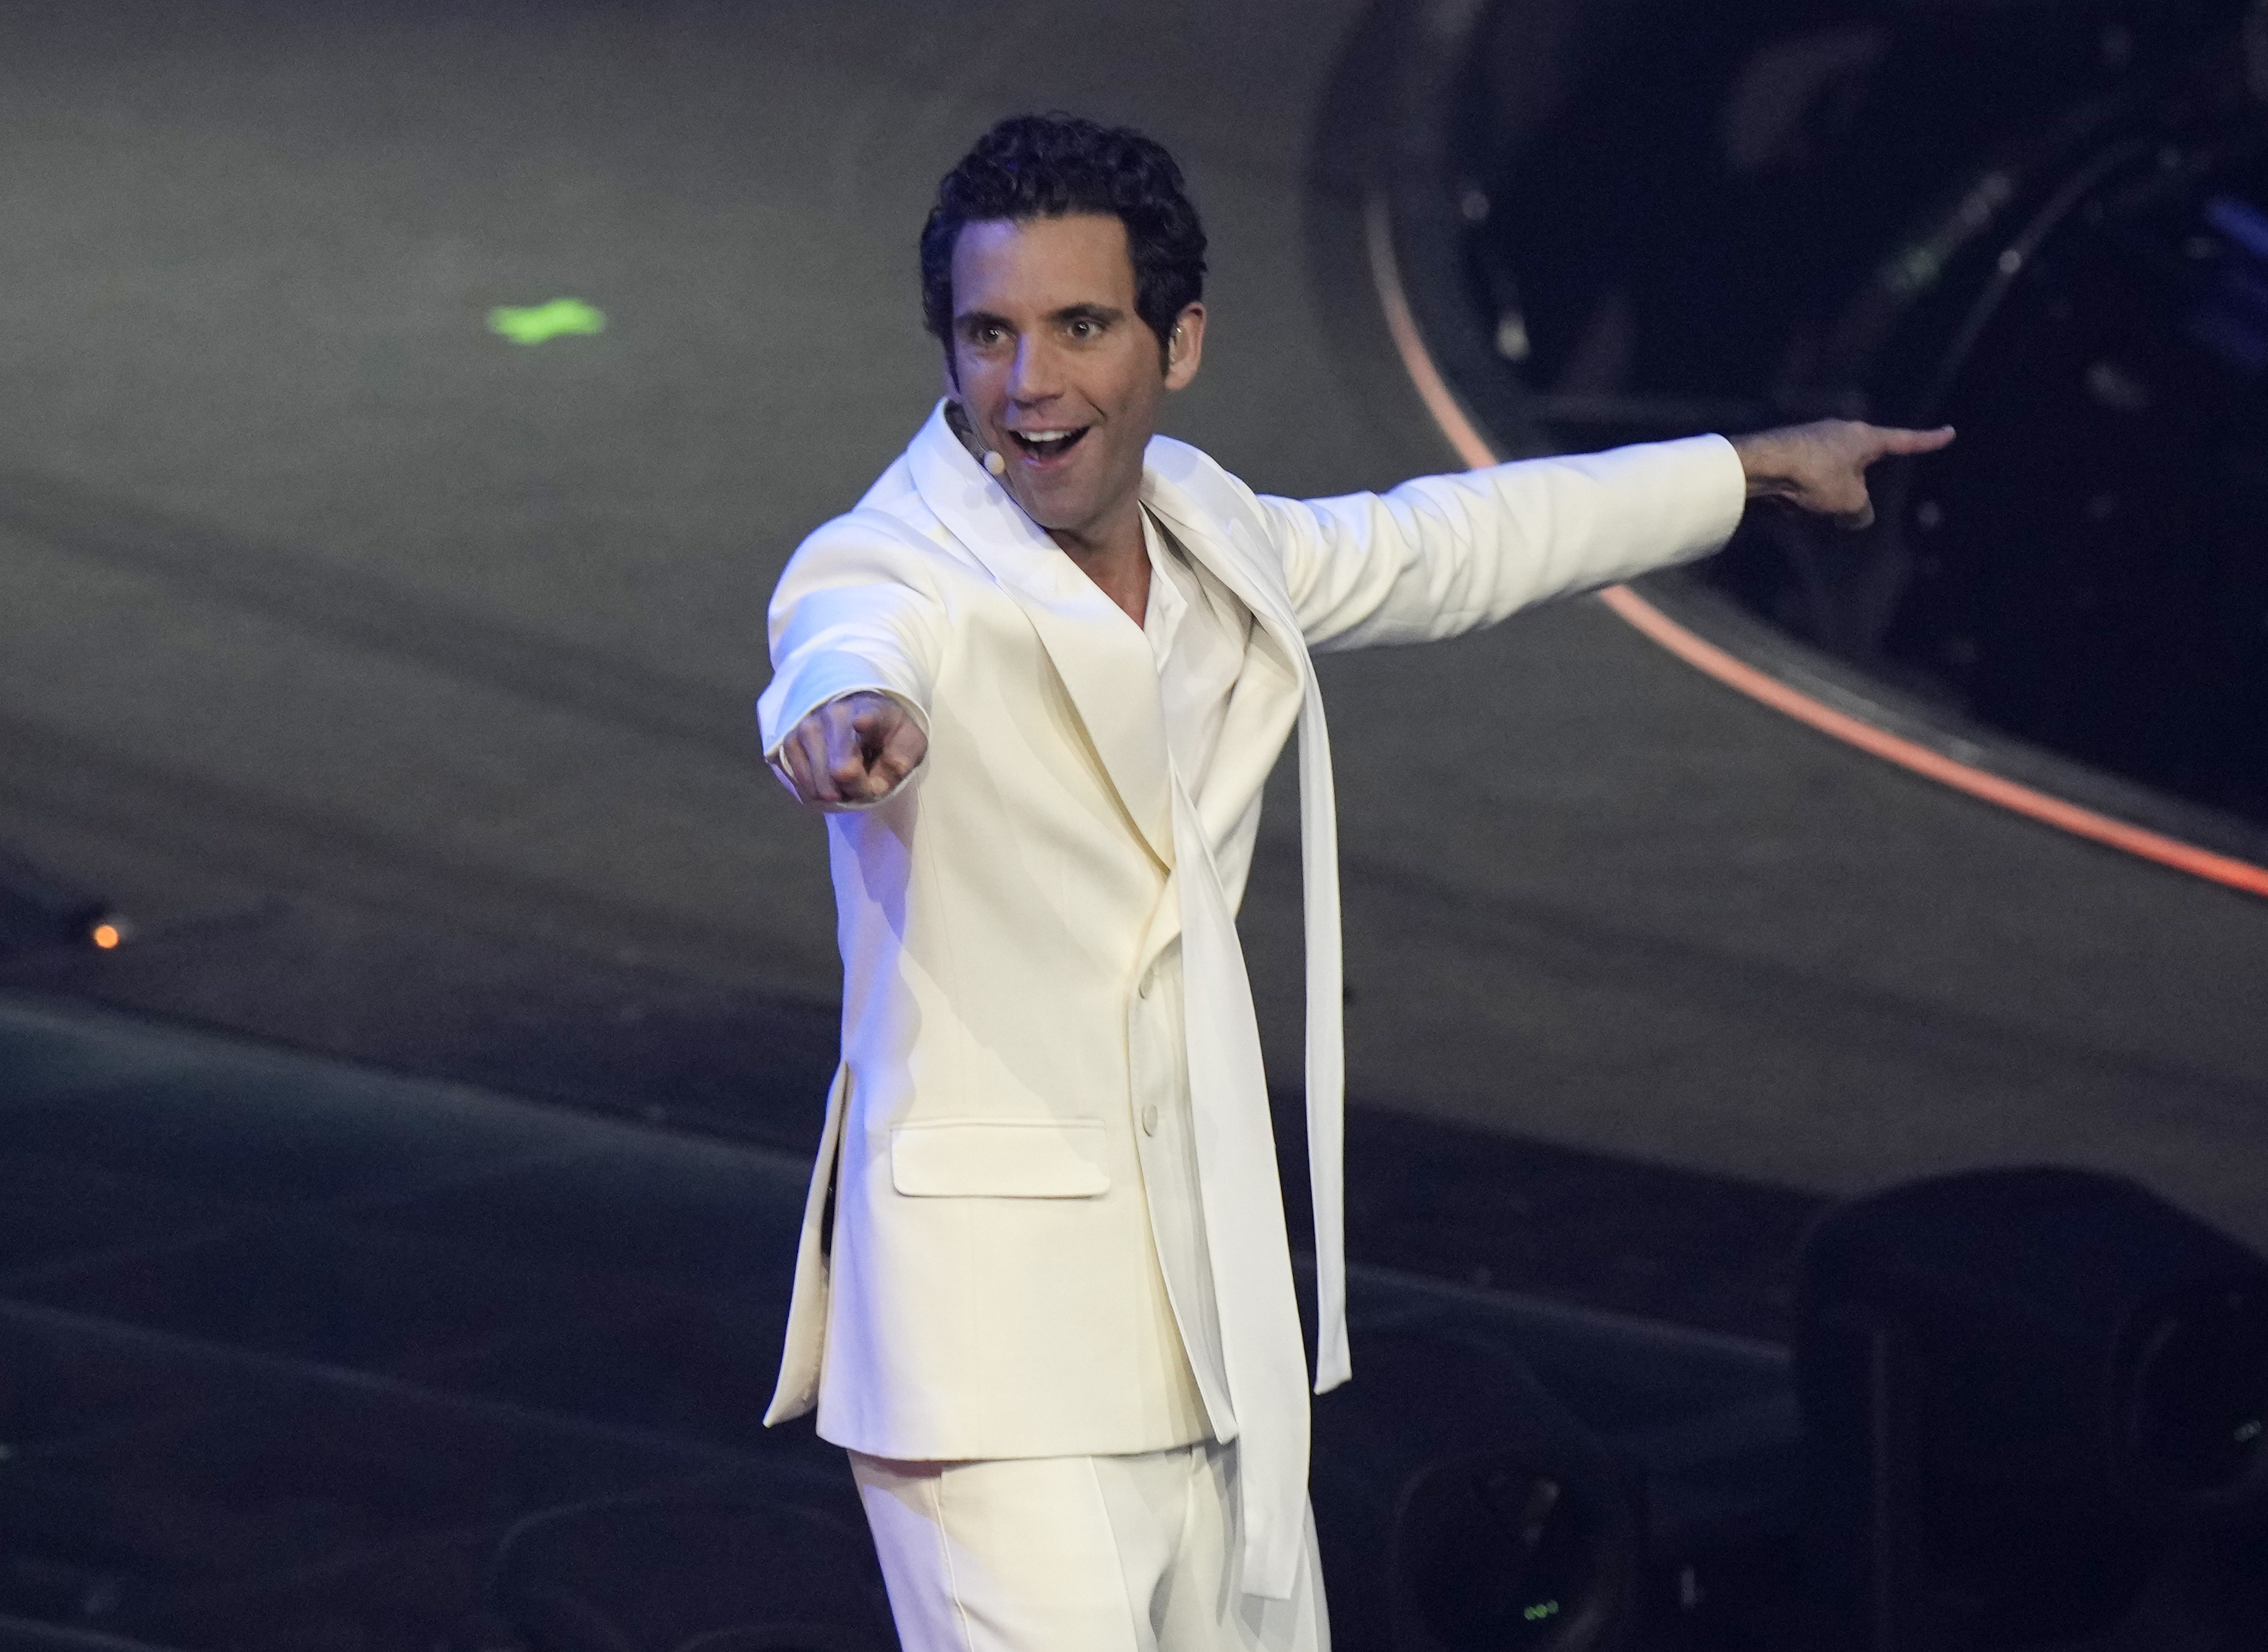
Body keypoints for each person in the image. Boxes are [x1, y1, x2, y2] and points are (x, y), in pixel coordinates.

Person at [755, 113, 1950, 1652]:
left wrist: (1738, 472)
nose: (1027, 384)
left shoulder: (1209, 527)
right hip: (989, 1357)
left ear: (1177, 341)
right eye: (987, 334)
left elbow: (1446, 541)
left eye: (1079, 326)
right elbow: (839, 650)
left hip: (1205, 1315)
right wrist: (843, 723)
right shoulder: (888, 564)